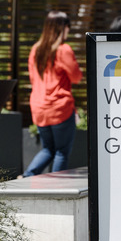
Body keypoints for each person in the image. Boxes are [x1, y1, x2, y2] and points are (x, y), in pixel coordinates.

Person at [22, 10, 83, 177]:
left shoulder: (35, 49)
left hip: (39, 107)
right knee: (61, 151)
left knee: (48, 149)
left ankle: (27, 176)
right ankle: (56, 188)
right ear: (62, 28)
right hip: (59, 107)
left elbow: (33, 78)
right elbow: (76, 77)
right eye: (68, 27)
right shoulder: (63, 50)